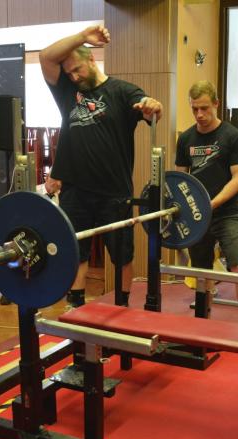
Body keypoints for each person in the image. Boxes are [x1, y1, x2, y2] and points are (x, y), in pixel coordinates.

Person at [39, 25, 163, 309]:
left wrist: (152, 108)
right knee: (76, 251)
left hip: (114, 192)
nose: (74, 76)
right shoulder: (68, 91)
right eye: (69, 72)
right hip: (75, 190)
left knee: (122, 255)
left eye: (77, 69)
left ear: (92, 60)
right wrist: (82, 36)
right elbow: (46, 56)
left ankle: (122, 306)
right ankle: (76, 305)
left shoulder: (122, 91)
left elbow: (150, 111)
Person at [175, 81, 238, 320]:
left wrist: (212, 203)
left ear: (216, 104)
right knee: (202, 272)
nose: (199, 114)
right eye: (195, 109)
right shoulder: (186, 139)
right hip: (198, 215)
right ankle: (202, 324)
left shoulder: (234, 137)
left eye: (204, 108)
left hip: (227, 213)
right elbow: (181, 179)